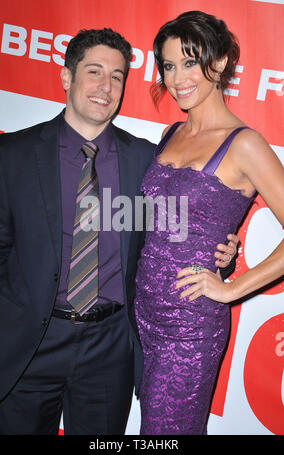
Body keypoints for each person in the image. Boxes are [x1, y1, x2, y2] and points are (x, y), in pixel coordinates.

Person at [0, 27, 238, 435]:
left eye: (117, 76)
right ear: (67, 77)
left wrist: (221, 250)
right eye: (94, 72)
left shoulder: (145, 157)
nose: (106, 86)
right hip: (29, 344)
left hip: (109, 349)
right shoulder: (12, 154)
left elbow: (175, 224)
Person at [134, 10, 284, 435]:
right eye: (168, 65)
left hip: (190, 324)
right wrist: (224, 242)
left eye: (189, 61)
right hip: (142, 315)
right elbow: (164, 221)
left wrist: (232, 287)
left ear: (217, 64)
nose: (177, 77)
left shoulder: (246, 143)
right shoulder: (171, 133)